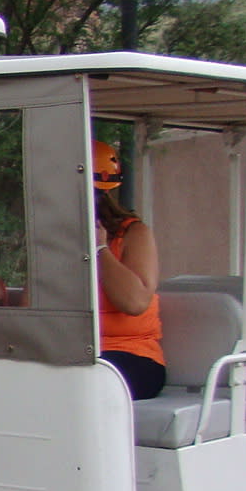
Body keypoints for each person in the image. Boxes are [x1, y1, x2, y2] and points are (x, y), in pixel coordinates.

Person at [92, 138, 164, 400]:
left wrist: (100, 250)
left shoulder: (134, 233)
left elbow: (134, 303)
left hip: (132, 355)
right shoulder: (60, 238)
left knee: (83, 383)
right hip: (75, 352)